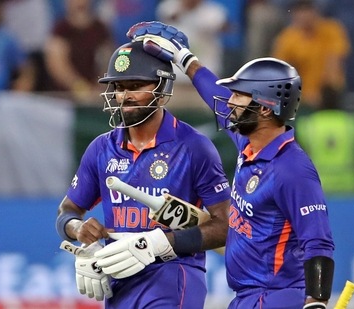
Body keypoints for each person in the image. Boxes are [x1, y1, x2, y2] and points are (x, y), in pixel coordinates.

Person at [127, 21, 336, 309]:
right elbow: (217, 99)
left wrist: (317, 302)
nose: (231, 102)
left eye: (239, 94)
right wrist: (186, 60)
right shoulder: (249, 142)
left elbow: (319, 242)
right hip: (248, 297)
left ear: (264, 107)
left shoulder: (292, 169)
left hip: (276, 297)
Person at [55, 38, 232, 308]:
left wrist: (159, 243)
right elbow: (67, 211)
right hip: (119, 280)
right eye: (118, 87)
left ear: (162, 89)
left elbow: (226, 228)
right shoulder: (101, 148)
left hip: (174, 277)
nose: (124, 96)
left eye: (136, 86)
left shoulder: (194, 147)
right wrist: (80, 232)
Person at [271, 0, 350, 112]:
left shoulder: (332, 30)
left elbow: (334, 62)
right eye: (300, 13)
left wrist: (326, 92)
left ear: (316, 13)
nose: (305, 17)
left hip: (331, 95)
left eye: (308, 11)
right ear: (294, 16)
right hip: (301, 99)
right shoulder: (287, 39)